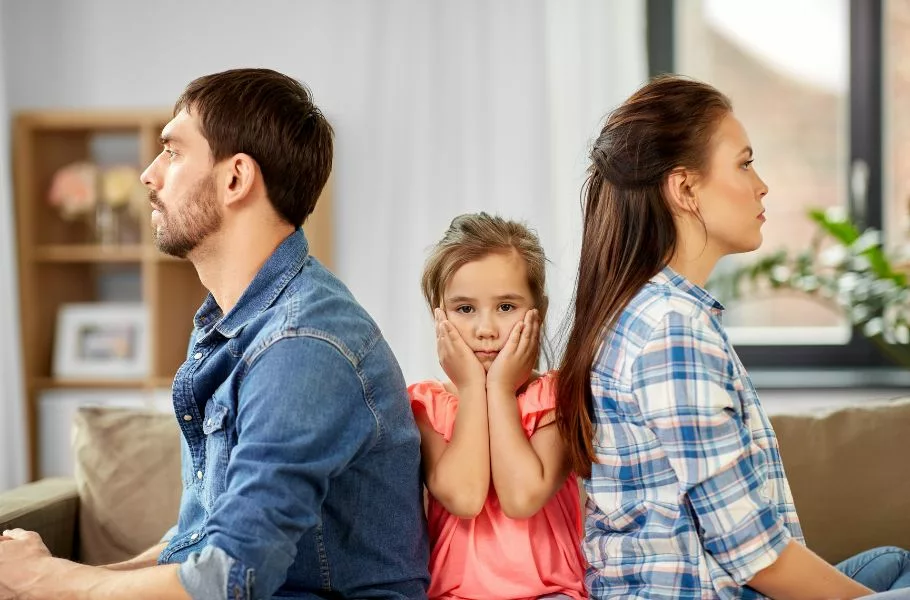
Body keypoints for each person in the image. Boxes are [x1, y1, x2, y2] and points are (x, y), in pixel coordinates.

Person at [0, 68, 429, 599]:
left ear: (236, 179)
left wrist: (51, 580)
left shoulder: (301, 346)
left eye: (173, 151)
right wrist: (55, 581)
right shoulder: (233, 326)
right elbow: (202, 541)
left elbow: (230, 578)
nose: (148, 175)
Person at [554, 74, 910, 599]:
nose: (761, 184)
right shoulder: (671, 331)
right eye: (744, 163)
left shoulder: (654, 311)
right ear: (685, 189)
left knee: (894, 564)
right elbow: (756, 559)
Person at [408, 212, 587, 600]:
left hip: (552, 593)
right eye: (465, 309)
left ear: (537, 310)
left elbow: (522, 497)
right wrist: (474, 389)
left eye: (506, 307)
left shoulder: (557, 398)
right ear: (438, 316)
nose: (485, 329)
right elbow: (466, 497)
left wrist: (501, 391)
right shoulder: (427, 406)